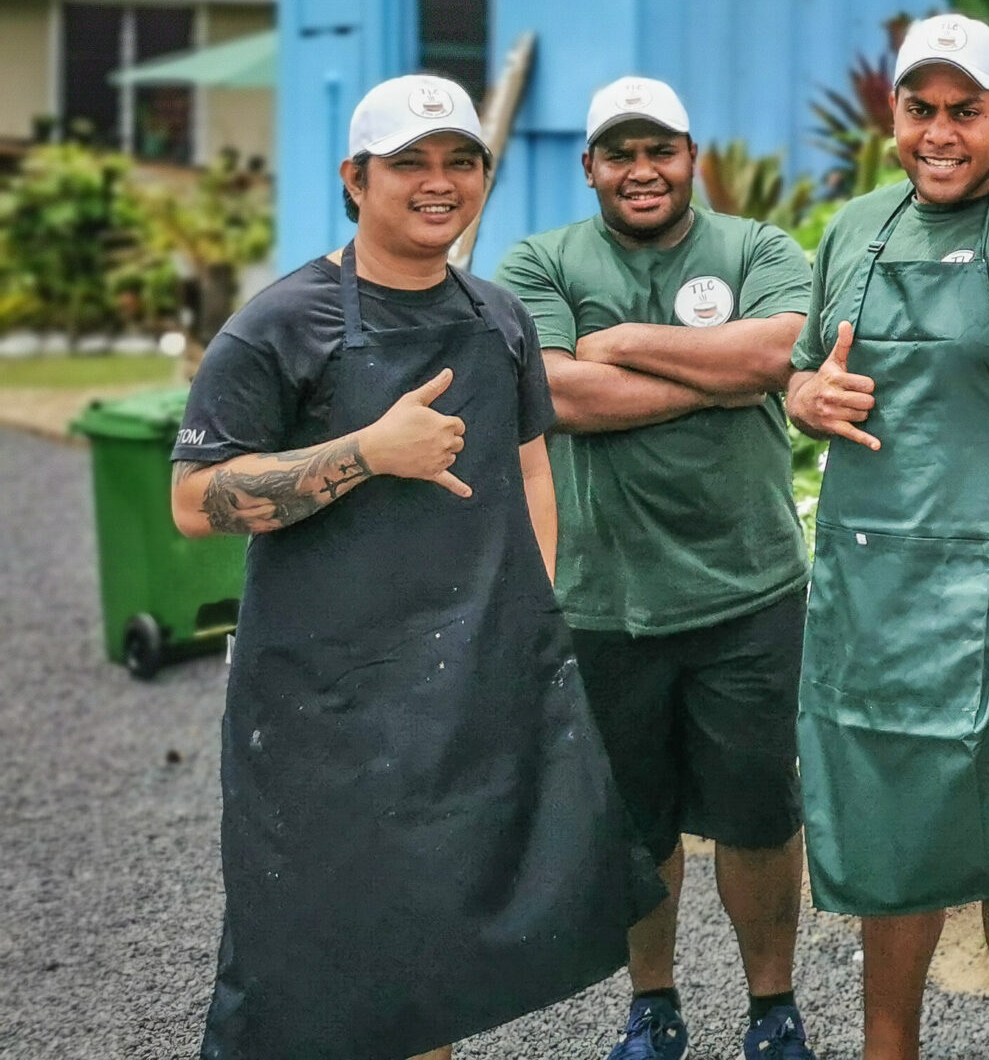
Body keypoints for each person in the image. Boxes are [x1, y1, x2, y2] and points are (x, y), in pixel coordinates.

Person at [172, 74, 660, 1060]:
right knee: (306, 966)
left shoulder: (496, 316)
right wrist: (366, 451)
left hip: (462, 686)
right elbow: (195, 501)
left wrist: (529, 622)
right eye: (410, 164)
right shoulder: (279, 324)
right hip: (322, 705)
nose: (438, 184)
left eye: (459, 162)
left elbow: (530, 466)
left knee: (434, 956)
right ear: (355, 179)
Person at [784, 15, 989, 1060]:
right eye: (921, 109)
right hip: (874, 609)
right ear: (896, 116)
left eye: (964, 111)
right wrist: (805, 396)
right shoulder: (853, 230)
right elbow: (800, 379)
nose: (941, 132)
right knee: (893, 847)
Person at [492, 77, 816, 1060]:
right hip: (606, 599)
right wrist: (718, 373)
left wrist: (627, 343)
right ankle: (655, 1005)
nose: (643, 170)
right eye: (620, 153)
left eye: (661, 149)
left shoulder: (758, 249)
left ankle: (773, 1008)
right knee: (639, 828)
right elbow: (556, 393)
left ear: (691, 156)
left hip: (750, 588)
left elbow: (782, 349)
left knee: (762, 817)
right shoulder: (539, 260)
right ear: (590, 166)